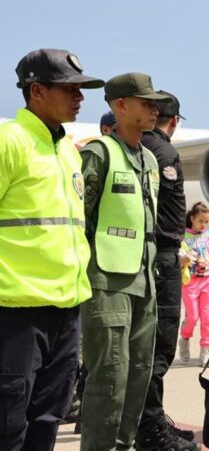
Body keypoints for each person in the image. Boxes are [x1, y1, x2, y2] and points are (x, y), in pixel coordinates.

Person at [0, 49, 102, 451]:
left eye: (81, 89)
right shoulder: (10, 142)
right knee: (8, 421)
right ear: (36, 91)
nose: (79, 97)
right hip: (15, 310)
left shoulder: (68, 150)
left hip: (65, 307)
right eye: (70, 89)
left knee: (47, 416)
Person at [79, 73, 170, 451]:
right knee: (109, 378)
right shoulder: (98, 153)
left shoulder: (148, 159)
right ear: (120, 106)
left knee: (138, 374)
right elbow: (78, 220)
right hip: (107, 284)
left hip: (144, 283)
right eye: (146, 103)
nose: (155, 109)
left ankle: (123, 445)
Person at [136, 90, 196, 449]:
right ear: (173, 121)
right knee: (158, 347)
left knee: (146, 345)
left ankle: (154, 420)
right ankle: (151, 431)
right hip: (163, 258)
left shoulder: (133, 146)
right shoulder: (164, 152)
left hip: (145, 257)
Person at [178, 202, 209, 366]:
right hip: (189, 283)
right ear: (192, 219)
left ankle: (205, 348)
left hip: (207, 282)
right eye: (200, 221)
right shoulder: (183, 237)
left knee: (207, 317)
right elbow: (177, 258)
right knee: (193, 317)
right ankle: (184, 337)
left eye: (206, 222)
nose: (203, 225)